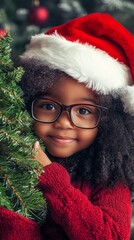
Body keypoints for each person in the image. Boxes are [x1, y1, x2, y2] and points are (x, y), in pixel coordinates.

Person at [0, 12, 134, 240]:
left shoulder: (108, 178)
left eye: (83, 111)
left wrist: (52, 180)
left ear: (110, 122)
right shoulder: (12, 166)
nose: (63, 122)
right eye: (48, 106)